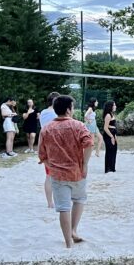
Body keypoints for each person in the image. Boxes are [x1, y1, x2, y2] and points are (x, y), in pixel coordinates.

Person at [37, 95, 94, 248]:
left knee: (63, 208)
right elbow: (89, 143)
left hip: (58, 175)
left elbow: (41, 154)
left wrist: (52, 166)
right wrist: (85, 164)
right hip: (77, 172)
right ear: (68, 109)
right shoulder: (78, 125)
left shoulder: (46, 129)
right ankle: (74, 230)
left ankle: (68, 242)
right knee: (79, 199)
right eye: (73, 107)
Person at [38, 92, 61, 209]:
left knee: (49, 176)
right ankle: (57, 201)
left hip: (45, 145)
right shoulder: (55, 114)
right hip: (55, 146)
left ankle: (50, 203)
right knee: (58, 175)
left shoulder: (43, 113)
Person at [103, 100, 118, 173]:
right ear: (110, 106)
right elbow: (105, 128)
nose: (115, 106)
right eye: (114, 105)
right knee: (109, 150)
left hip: (113, 133)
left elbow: (113, 126)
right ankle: (108, 168)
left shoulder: (112, 114)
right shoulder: (108, 115)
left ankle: (112, 167)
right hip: (108, 134)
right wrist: (112, 137)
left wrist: (115, 136)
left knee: (114, 150)